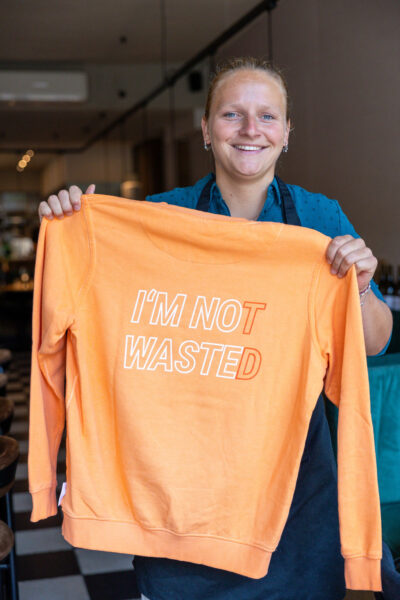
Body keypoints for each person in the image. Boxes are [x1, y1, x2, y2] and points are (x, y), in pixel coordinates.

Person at [38, 57, 396, 600]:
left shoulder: (319, 222)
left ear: (286, 132)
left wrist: (363, 287)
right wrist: (72, 229)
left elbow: (374, 341)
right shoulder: (158, 218)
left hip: (297, 499)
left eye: (267, 117)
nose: (251, 130)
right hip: (179, 497)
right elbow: (71, 323)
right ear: (206, 130)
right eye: (232, 114)